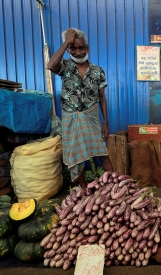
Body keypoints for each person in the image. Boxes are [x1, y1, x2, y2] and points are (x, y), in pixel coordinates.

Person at [47, 28, 113, 188]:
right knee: (77, 158)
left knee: (103, 154)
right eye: (73, 48)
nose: (77, 52)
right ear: (69, 50)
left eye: (81, 48)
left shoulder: (98, 71)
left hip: (91, 117)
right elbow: (50, 65)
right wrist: (66, 42)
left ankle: (113, 187)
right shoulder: (65, 67)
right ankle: (84, 190)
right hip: (71, 118)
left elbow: (102, 98)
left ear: (87, 48)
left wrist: (105, 122)